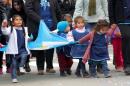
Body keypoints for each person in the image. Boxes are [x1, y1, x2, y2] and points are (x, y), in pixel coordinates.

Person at [25, 0, 61, 75]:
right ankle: (40, 68)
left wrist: (59, 24)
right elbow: (29, 11)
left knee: (50, 47)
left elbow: (58, 12)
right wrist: (40, 20)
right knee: (40, 47)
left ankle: (49, 66)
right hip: (37, 26)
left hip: (51, 26)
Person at [73, 0, 108, 73]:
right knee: (87, 45)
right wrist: (74, 21)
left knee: (99, 44)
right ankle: (86, 66)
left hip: (100, 20)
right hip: (86, 21)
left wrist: (107, 18)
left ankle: (100, 66)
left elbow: (105, 5)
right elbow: (78, 8)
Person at [1, 15, 30, 83]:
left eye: (20, 19)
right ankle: (14, 77)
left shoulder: (24, 29)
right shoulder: (11, 29)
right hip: (14, 51)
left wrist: (29, 38)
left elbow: (27, 37)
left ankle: (21, 66)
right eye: (16, 20)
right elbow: (5, 31)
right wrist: (3, 26)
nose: (19, 21)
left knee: (24, 56)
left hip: (22, 49)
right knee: (13, 64)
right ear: (13, 22)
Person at [8, 0, 31, 73]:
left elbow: (28, 20)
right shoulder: (11, 11)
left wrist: (27, 32)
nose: (17, 6)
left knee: (25, 48)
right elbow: (9, 21)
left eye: (18, 5)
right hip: (15, 31)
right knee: (16, 50)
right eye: (15, 5)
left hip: (24, 29)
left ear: (21, 4)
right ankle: (16, 68)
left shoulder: (25, 10)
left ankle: (26, 64)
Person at [108, 0, 130, 75]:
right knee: (127, 37)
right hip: (122, 20)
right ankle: (127, 65)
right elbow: (111, 6)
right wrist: (112, 21)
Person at [0, 0, 8, 75]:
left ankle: (2, 67)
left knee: (2, 48)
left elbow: (3, 12)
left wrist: (5, 19)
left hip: (1, 29)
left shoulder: (1, 3)